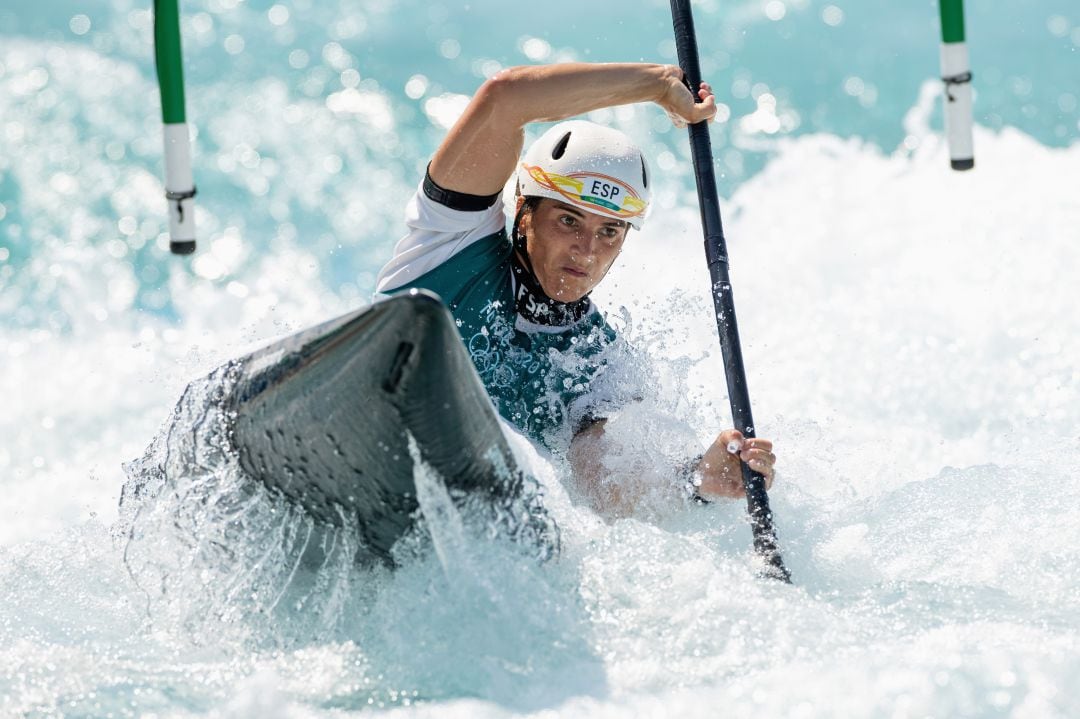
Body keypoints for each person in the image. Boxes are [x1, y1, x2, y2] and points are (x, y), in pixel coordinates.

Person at [375, 62, 776, 511]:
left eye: (610, 232)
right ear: (524, 212)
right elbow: (506, 99)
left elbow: (604, 488)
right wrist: (658, 86)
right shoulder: (450, 240)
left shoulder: (599, 360)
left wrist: (697, 479)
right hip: (379, 423)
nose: (587, 250)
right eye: (569, 220)